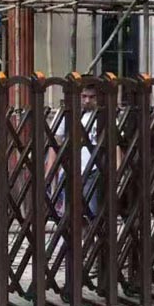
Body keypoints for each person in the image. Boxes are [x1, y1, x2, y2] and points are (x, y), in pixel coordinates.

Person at [49, 85, 101, 220]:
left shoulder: (103, 115)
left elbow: (115, 145)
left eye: (92, 97)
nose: (87, 100)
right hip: (69, 170)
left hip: (94, 170)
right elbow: (55, 144)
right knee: (69, 214)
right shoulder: (66, 114)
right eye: (84, 96)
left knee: (91, 214)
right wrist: (50, 172)